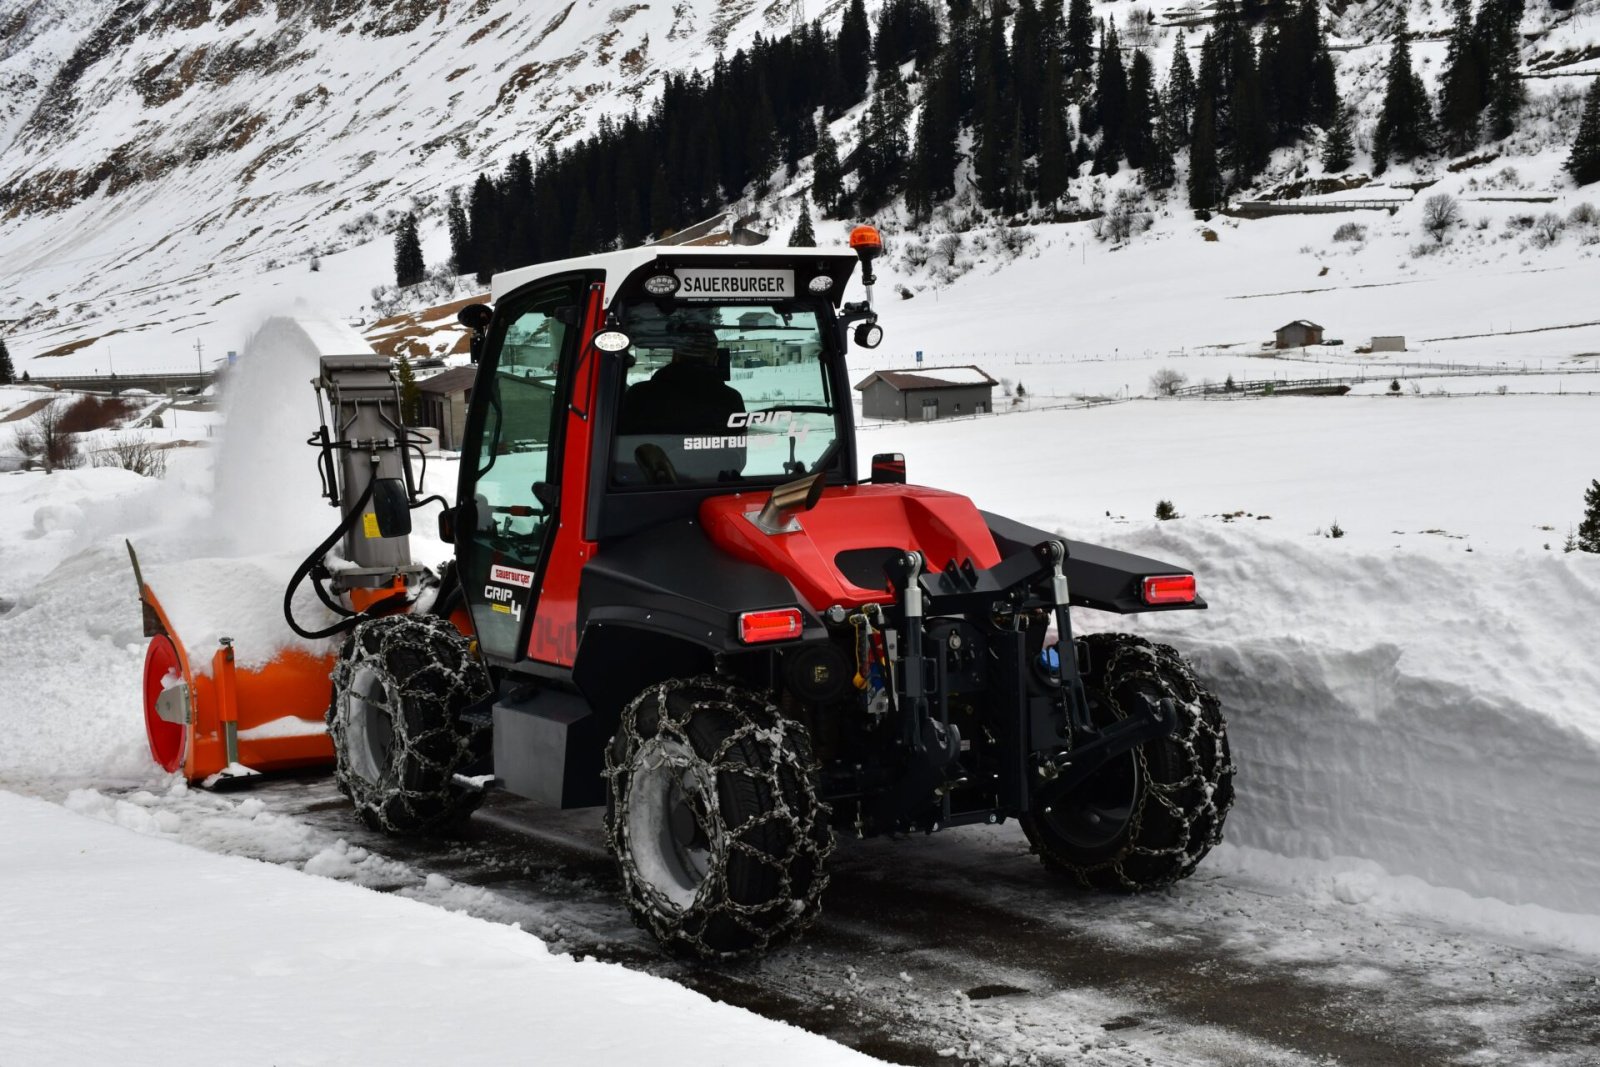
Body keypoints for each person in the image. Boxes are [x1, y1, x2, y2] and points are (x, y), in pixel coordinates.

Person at [616, 317, 746, 483]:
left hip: (647, 491)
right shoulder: (730, 399)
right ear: (715, 360)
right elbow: (738, 460)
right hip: (719, 487)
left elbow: (623, 456)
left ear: (675, 356)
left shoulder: (640, 395)